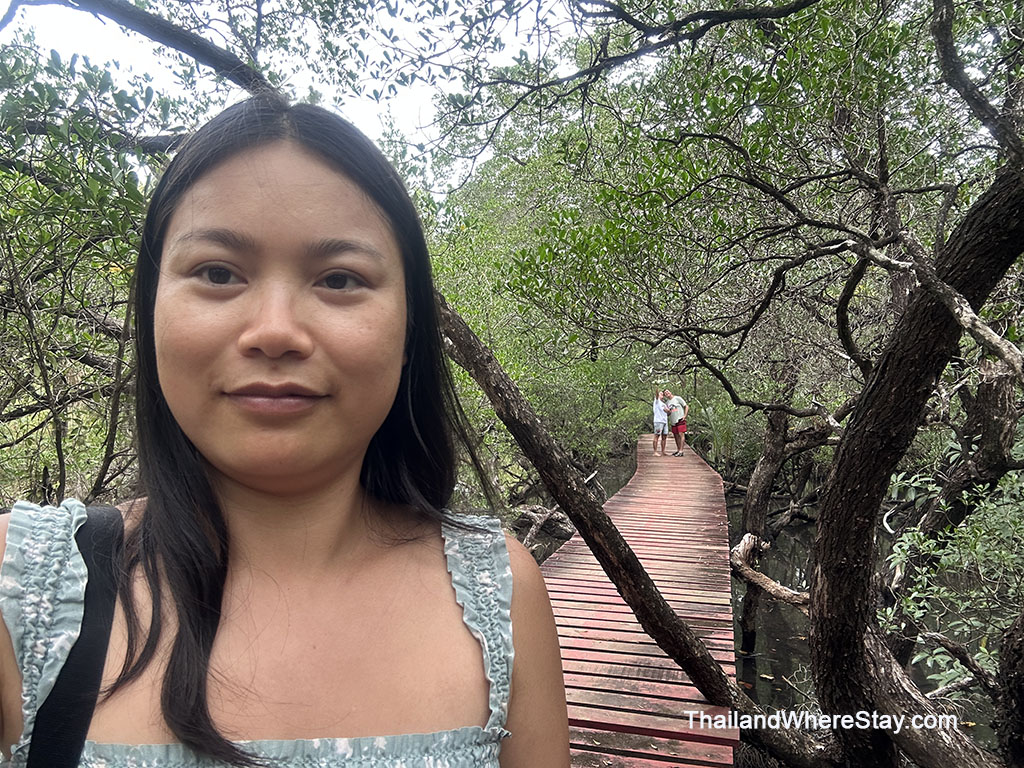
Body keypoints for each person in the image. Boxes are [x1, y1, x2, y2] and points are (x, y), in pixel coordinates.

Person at [0, 94, 569, 767]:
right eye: (217, 272)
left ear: (411, 332)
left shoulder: (499, 589)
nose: (274, 330)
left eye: (339, 278)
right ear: (151, 314)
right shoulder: (24, 588)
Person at [663, 389, 689, 456]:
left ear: (670, 392)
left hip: (680, 419)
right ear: (665, 395)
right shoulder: (667, 403)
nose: (667, 393)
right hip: (673, 420)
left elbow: (686, 406)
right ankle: (678, 449)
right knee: (676, 435)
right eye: (665, 393)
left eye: (667, 391)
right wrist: (667, 411)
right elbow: (668, 413)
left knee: (681, 435)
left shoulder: (677, 398)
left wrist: (685, 416)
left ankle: (681, 451)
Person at [652, 389, 669, 456]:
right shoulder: (657, 401)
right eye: (661, 394)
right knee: (657, 435)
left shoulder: (664, 404)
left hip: (665, 421)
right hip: (658, 421)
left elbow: (668, 413)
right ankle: (655, 452)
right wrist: (656, 387)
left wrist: (668, 411)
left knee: (664, 436)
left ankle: (663, 451)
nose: (662, 395)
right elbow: (656, 395)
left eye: (662, 394)